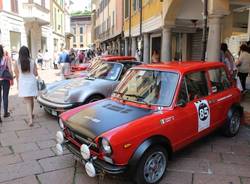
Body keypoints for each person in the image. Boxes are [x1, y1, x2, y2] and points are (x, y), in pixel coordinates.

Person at [14, 46, 38, 126]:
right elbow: (36, 73)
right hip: (32, 82)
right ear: (28, 52)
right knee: (31, 99)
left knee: (27, 101)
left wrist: (18, 84)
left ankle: (30, 119)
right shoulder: (32, 61)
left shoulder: (17, 62)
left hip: (23, 83)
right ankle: (31, 114)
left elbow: (16, 74)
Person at [0, 45, 13, 122]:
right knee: (5, 96)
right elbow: (10, 70)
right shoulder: (6, 58)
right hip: (5, 79)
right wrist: (12, 78)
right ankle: (5, 113)